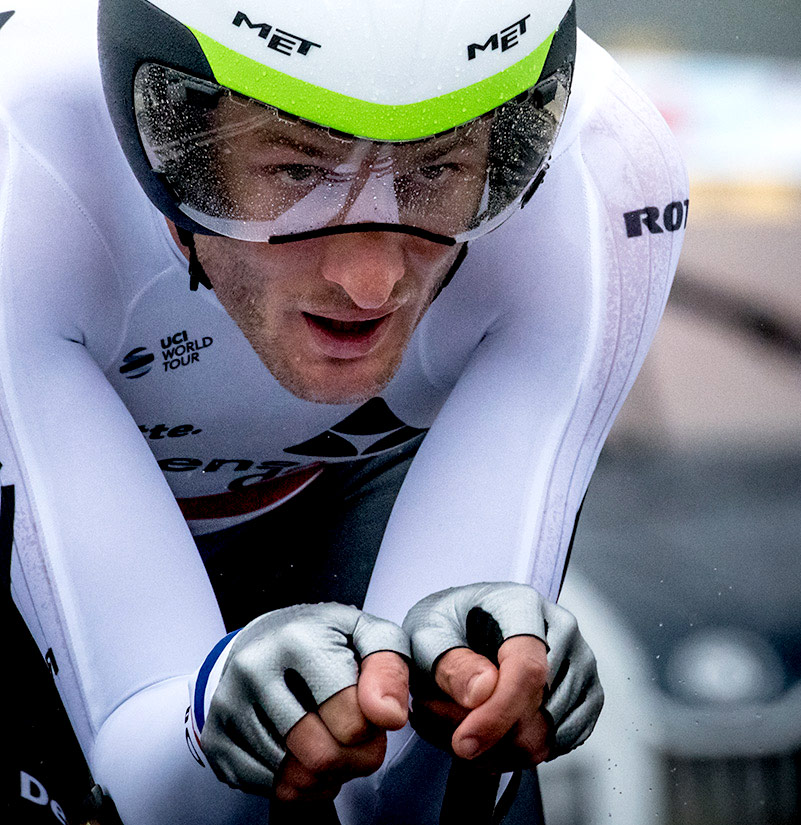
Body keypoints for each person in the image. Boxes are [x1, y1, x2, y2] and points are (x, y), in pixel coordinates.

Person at [0, 0, 686, 822]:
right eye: (297, 171)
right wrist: (212, 714)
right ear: (161, 136)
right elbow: (147, 784)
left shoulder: (596, 165)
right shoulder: (22, 164)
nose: (371, 282)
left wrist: (451, 706)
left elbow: (398, 802)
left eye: (436, 170)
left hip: (328, 493)